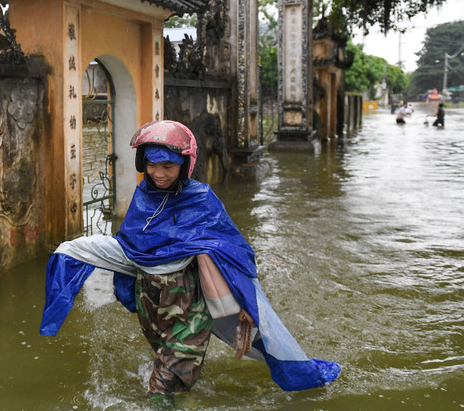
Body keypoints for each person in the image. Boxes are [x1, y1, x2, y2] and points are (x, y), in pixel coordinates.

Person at [40, 120, 340, 400]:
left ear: (184, 165)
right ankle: (189, 393)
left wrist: (247, 305)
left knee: (162, 385)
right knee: (173, 369)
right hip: (151, 305)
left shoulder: (201, 199)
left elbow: (233, 253)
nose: (158, 174)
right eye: (151, 165)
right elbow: (129, 245)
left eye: (168, 166)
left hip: (189, 306)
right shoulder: (144, 195)